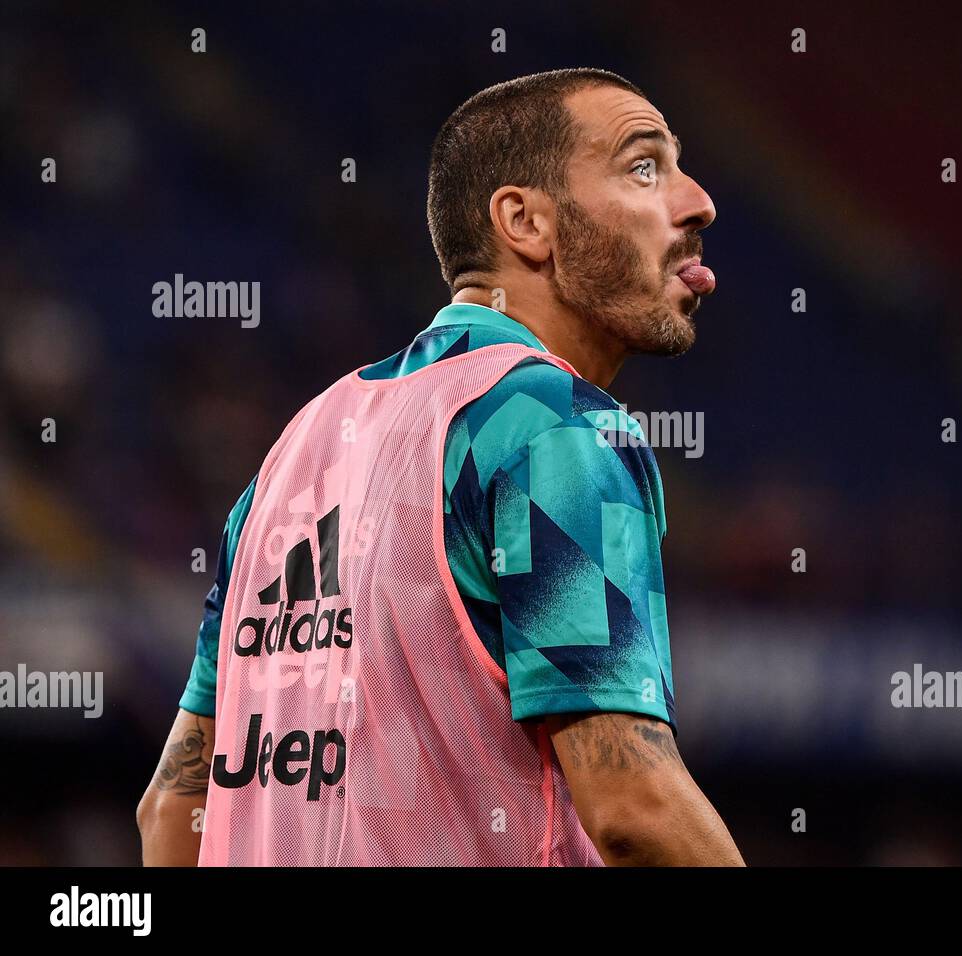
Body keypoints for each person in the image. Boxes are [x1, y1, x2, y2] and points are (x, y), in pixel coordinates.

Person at [136, 67, 744, 866]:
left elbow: (172, 809)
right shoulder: (553, 429)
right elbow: (634, 805)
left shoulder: (297, 449)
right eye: (643, 166)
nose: (698, 201)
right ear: (525, 221)